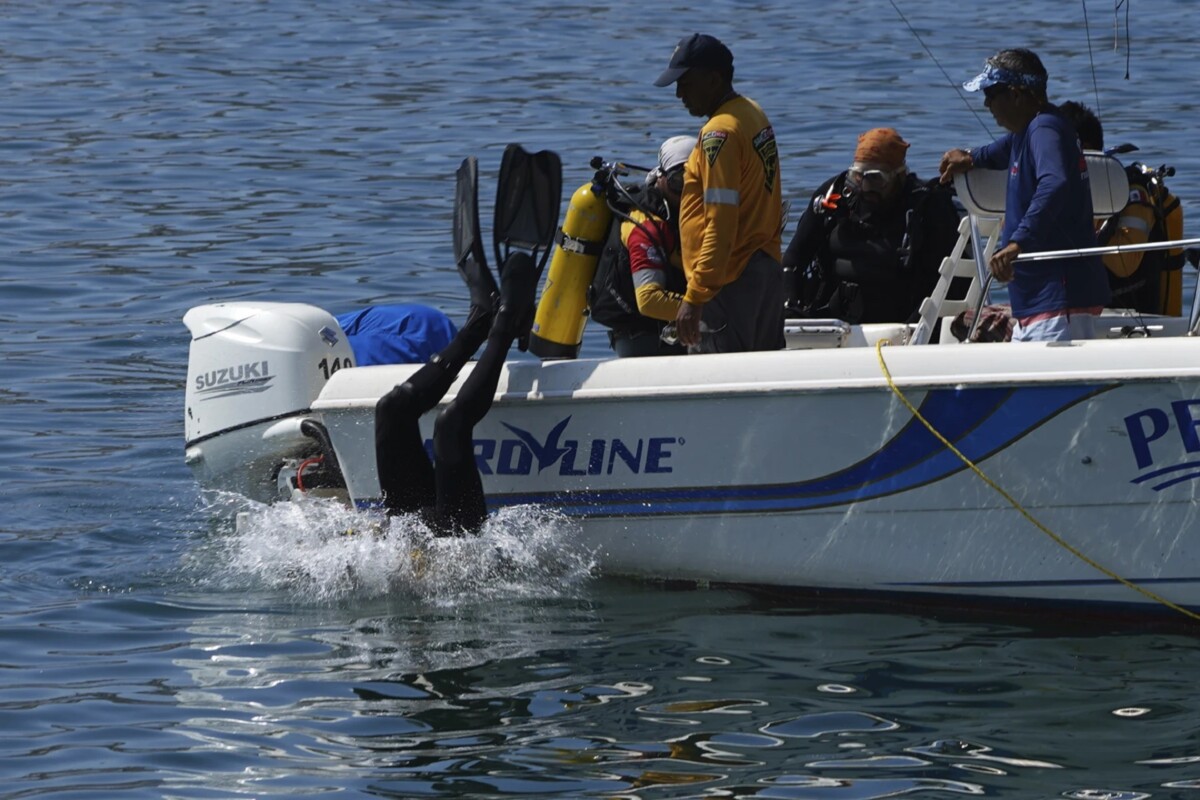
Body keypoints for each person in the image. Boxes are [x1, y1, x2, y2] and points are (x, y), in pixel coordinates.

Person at [939, 48, 1110, 342]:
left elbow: (1055, 183)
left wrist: (1018, 243)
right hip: (1036, 304)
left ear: (1017, 95)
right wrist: (969, 157)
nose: (986, 103)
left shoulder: (1044, 129)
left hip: (1057, 302)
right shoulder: (1030, 130)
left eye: (991, 94)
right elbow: (998, 151)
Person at [373, 253, 536, 535]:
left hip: (409, 535)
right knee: (449, 425)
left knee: (391, 408)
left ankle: (477, 326)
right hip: (454, 545)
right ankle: (506, 326)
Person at [653, 33, 785, 353]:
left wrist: (696, 295)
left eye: (685, 82)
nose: (678, 93)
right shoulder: (751, 113)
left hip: (728, 281)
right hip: (764, 268)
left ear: (713, 79)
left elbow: (721, 222)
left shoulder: (718, 134)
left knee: (720, 386)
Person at [782, 128, 961, 325]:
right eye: (858, 176)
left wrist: (917, 330)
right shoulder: (833, 196)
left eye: (876, 178)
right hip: (834, 321)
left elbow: (949, 281)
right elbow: (793, 260)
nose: (865, 187)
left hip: (901, 324)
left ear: (900, 176)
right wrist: (790, 305)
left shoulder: (927, 207)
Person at [1059, 100, 1185, 316]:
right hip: (1075, 312)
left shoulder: (1133, 196)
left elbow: (1124, 264)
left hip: (1134, 321)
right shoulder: (1060, 195)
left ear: (1085, 149)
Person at [590, 135, 692, 357]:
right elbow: (648, 300)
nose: (686, 192)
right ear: (661, 177)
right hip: (644, 343)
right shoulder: (644, 227)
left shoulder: (678, 216)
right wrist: (707, 308)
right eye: (678, 182)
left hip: (673, 332)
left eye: (696, 183)